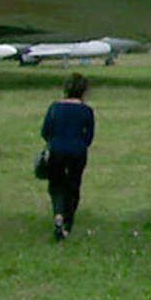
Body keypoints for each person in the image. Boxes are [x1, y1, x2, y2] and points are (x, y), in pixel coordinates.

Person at [40, 72, 96, 241]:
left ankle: (58, 213)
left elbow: (45, 131)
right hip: (78, 152)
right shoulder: (86, 111)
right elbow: (89, 136)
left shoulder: (55, 107)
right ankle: (67, 224)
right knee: (73, 185)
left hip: (57, 150)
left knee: (56, 184)